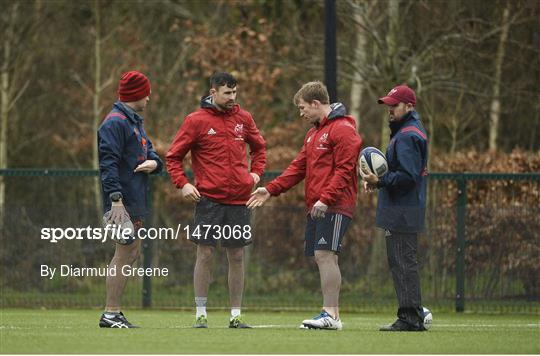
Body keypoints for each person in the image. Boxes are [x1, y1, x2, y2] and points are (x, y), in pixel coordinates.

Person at [248, 81, 362, 330]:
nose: (301, 114)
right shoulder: (313, 133)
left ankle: (330, 315)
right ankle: (333, 314)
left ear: (316, 103)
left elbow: (345, 170)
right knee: (322, 257)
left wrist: (326, 199)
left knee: (325, 255)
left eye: (302, 108)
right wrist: (270, 189)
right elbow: (298, 167)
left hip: (334, 204)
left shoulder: (343, 130)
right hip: (317, 205)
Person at [166, 72, 266, 329]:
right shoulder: (196, 120)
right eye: (227, 93)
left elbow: (259, 148)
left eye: (235, 92)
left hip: (239, 201)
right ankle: (201, 313)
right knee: (205, 253)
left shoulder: (244, 119)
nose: (232, 98)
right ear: (213, 92)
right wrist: (184, 184)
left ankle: (236, 315)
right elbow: (173, 157)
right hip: (208, 200)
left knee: (237, 256)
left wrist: (255, 174)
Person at [97, 70, 163, 328]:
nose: (148, 97)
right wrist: (115, 199)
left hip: (135, 196)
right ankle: (111, 313)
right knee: (124, 253)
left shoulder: (134, 122)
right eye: (145, 92)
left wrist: (154, 164)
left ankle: (113, 312)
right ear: (135, 94)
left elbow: (151, 152)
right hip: (122, 200)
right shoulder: (115, 123)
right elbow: (107, 163)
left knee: (130, 252)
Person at [361, 85, 428, 332]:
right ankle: (412, 314)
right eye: (388, 104)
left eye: (395, 105)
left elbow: (408, 176)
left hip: (403, 210)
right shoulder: (406, 132)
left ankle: (411, 317)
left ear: (409, 106)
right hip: (403, 208)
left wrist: (379, 181)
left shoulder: (407, 135)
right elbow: (401, 172)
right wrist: (379, 182)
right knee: (401, 262)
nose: (390, 109)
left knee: (403, 262)